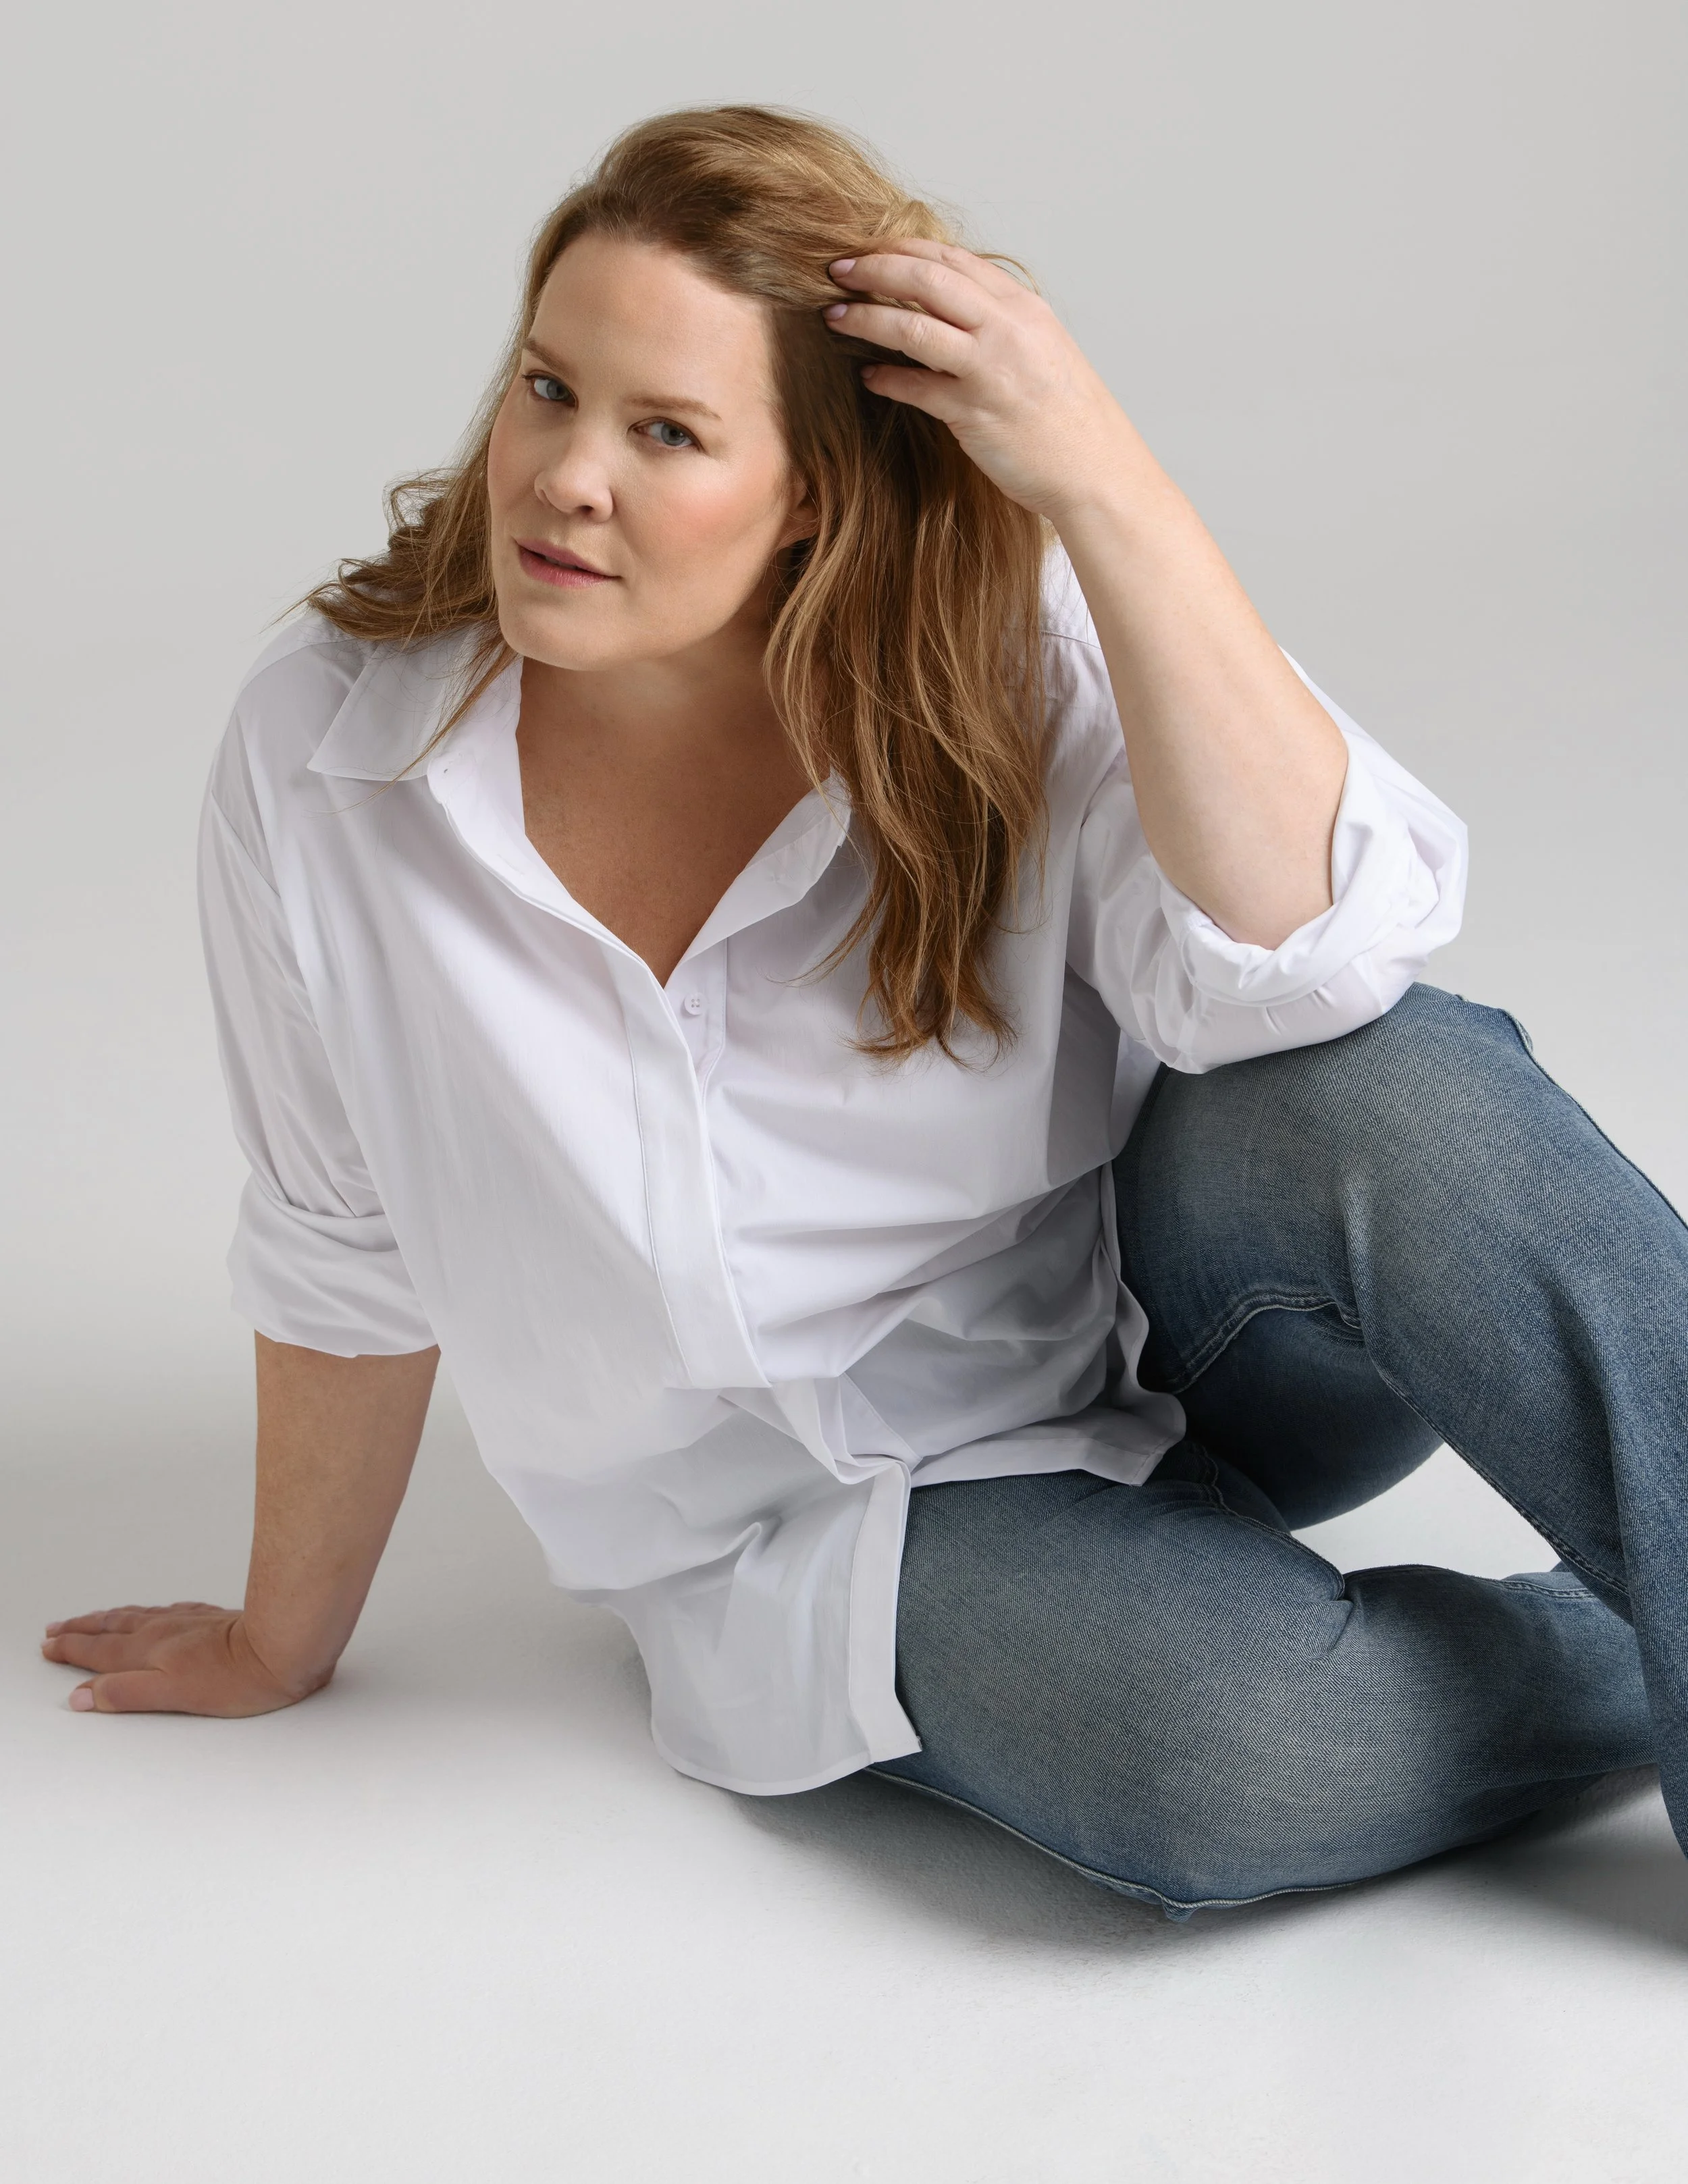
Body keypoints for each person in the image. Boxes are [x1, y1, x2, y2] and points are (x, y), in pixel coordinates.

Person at [42, 105, 1682, 1920]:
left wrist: (1103, 486)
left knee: (1401, 1091)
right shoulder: (332, 751)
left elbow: (1315, 958)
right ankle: (1606, 1643)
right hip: (839, 1543)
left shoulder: (1001, 645)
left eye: (665, 431)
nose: (564, 476)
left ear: (811, 488)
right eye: (544, 388)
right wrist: (285, 1641)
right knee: (1222, 1761)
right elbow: (341, 1236)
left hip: (1188, 1335)